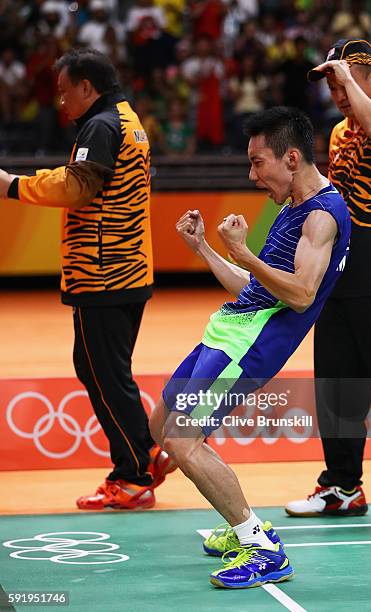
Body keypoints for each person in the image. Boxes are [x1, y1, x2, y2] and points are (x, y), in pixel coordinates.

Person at [149, 106, 351, 588]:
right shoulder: (291, 208)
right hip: (228, 329)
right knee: (163, 423)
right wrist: (206, 249)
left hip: (250, 344)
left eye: (258, 162)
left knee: (183, 439)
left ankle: (260, 546)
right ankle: (241, 522)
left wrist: (243, 251)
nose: (252, 173)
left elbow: (301, 294)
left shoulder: (322, 215)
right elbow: (254, 286)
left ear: (292, 157)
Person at [0, 48, 175, 510]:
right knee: (103, 371)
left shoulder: (101, 127)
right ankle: (148, 453)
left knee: (102, 374)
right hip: (126, 268)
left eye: (64, 92)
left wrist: (11, 185)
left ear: (86, 87)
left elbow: (78, 187)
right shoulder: (128, 119)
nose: (61, 103)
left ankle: (133, 477)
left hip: (103, 273)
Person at [286, 39, 371, 518]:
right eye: (330, 82)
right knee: (338, 387)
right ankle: (341, 486)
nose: (336, 91)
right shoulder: (340, 132)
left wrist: (351, 85)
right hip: (339, 278)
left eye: (343, 79)